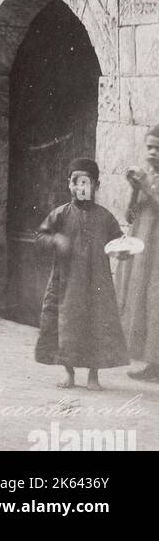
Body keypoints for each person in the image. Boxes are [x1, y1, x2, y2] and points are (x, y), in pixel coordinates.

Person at [35, 157, 129, 390]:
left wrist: (123, 251)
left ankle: (93, 376)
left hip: (98, 283)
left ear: (97, 186)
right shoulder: (60, 214)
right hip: (66, 281)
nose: (81, 187)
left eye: (87, 183)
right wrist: (55, 239)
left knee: (97, 323)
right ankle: (69, 372)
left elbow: (118, 242)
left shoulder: (105, 217)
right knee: (66, 323)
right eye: (76, 182)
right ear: (69, 184)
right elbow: (41, 237)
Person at [120, 125, 159, 382]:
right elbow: (130, 215)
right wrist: (135, 189)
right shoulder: (149, 176)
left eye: (158, 148)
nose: (152, 152)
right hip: (144, 249)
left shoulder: (151, 180)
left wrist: (146, 185)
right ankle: (152, 362)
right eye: (149, 147)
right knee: (144, 301)